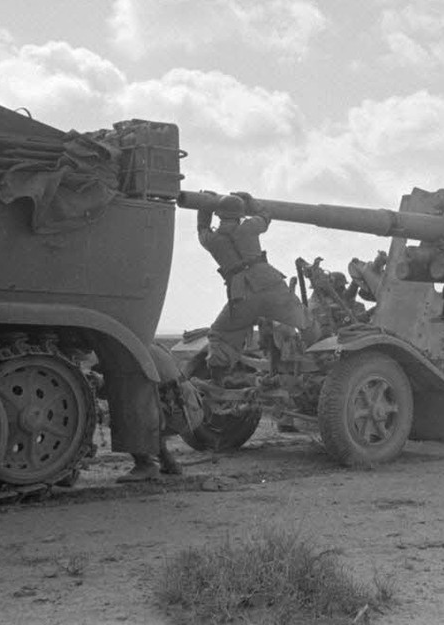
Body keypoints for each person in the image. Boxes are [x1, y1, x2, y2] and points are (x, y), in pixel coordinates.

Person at [198, 192, 308, 385]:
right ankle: (325, 358)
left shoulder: (212, 241)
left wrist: (204, 204)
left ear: (220, 215)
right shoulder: (249, 228)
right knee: (305, 319)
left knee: (219, 335)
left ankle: (218, 381)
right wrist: (250, 201)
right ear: (240, 215)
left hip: (242, 297)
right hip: (271, 286)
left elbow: (202, 229)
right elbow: (266, 216)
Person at [117, 343, 193, 483]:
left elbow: (132, 392)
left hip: (179, 413)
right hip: (188, 409)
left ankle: (145, 465)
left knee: (124, 413)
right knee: (147, 407)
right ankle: (168, 463)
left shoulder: (129, 352)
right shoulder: (147, 345)